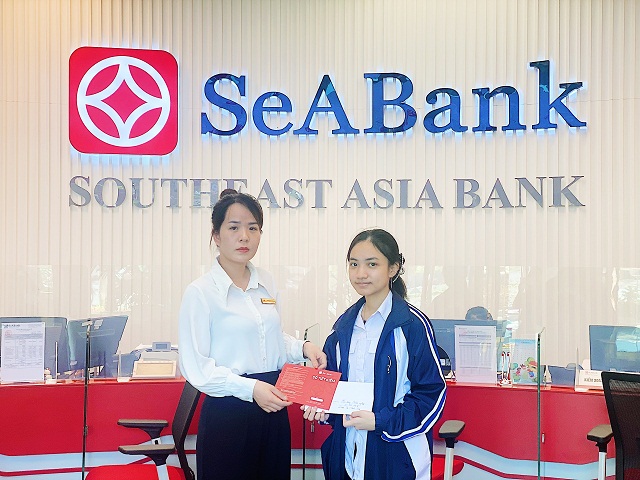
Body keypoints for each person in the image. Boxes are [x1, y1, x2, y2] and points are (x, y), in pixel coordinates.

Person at [179, 189, 327, 480]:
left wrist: (303, 347)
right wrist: (250, 389)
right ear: (216, 235)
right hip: (229, 411)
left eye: (253, 228)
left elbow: (269, 338)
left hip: (273, 405)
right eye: (234, 228)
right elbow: (197, 367)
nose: (244, 237)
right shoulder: (201, 292)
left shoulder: (266, 282)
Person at [303, 229, 447, 480]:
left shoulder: (411, 325)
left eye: (372, 264)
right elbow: (334, 387)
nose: (361, 273)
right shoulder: (343, 327)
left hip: (396, 456)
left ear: (393, 268)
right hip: (347, 455)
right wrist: (322, 406)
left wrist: (381, 421)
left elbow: (431, 395)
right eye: (354, 264)